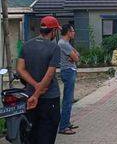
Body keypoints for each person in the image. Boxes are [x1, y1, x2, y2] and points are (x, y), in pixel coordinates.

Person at [16, 16, 62, 144]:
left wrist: (35, 86)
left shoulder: (26, 45)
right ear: (53, 31)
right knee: (47, 134)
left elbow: (20, 69)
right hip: (49, 97)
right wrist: (38, 92)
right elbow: (49, 75)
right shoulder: (54, 48)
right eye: (56, 31)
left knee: (33, 134)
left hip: (29, 97)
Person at [58, 24, 80, 135]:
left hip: (70, 70)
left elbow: (77, 55)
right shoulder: (63, 43)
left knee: (69, 99)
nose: (74, 33)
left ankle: (66, 122)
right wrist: (73, 57)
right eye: (72, 31)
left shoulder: (67, 43)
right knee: (67, 99)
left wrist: (74, 56)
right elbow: (76, 57)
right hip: (68, 71)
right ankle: (63, 126)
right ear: (68, 32)